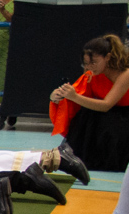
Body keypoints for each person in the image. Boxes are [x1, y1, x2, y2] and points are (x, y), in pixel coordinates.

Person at [50, 35, 129, 173]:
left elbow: (106, 105)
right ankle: (73, 157)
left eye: (93, 63)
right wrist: (56, 96)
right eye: (86, 64)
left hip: (124, 115)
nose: (89, 67)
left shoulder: (125, 74)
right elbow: (74, 93)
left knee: (109, 121)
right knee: (84, 115)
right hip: (107, 114)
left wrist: (73, 96)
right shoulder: (91, 74)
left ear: (108, 57)